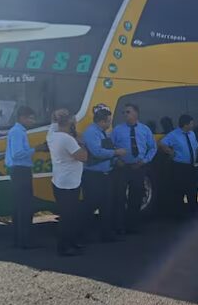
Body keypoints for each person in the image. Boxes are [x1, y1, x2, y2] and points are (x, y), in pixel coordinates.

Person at [82, 105, 126, 241]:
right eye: (109, 121)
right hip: (93, 176)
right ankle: (82, 234)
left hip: (106, 174)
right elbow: (97, 152)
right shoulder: (91, 132)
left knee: (106, 205)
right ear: (102, 121)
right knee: (90, 205)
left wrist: (115, 159)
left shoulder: (101, 132)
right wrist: (116, 152)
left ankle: (106, 234)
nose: (110, 123)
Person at [47, 109, 88, 256]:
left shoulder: (52, 136)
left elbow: (52, 124)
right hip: (70, 183)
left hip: (59, 180)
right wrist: (82, 143)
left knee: (67, 215)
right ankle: (64, 247)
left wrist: (55, 116)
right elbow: (83, 157)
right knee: (68, 216)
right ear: (70, 123)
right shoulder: (67, 139)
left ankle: (70, 243)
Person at [111, 104, 157, 233]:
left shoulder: (145, 130)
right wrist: (116, 160)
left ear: (136, 113)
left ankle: (133, 226)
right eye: (124, 112)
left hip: (139, 167)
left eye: (128, 112)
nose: (125, 114)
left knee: (136, 197)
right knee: (119, 197)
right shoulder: (117, 130)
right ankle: (119, 227)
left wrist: (144, 161)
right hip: (122, 167)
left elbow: (153, 147)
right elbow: (110, 147)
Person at [5, 106, 39, 249]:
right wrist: (36, 149)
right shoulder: (18, 132)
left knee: (19, 206)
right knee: (25, 207)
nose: (33, 121)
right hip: (21, 171)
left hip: (17, 171)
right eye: (30, 118)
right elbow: (18, 154)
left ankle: (19, 240)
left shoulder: (17, 131)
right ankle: (25, 241)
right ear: (22, 118)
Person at [160, 114, 198, 217]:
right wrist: (170, 152)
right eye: (191, 123)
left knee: (192, 190)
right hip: (179, 166)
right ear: (186, 124)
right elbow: (162, 143)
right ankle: (179, 214)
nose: (193, 125)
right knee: (179, 190)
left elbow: (195, 146)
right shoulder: (174, 135)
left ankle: (194, 212)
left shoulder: (192, 134)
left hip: (191, 166)